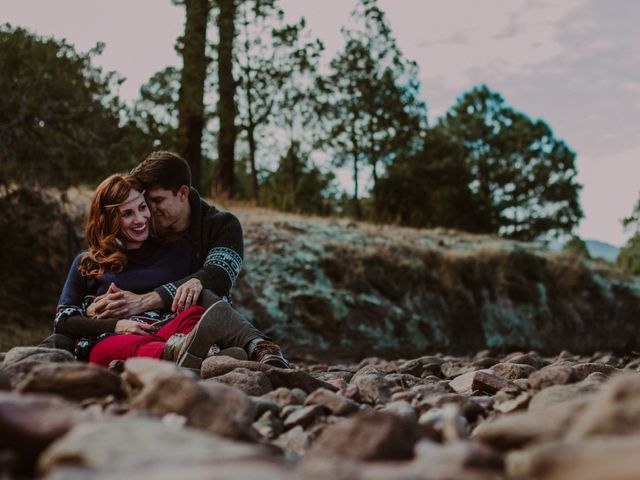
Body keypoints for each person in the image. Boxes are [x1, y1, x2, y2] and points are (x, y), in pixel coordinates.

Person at [51, 173, 289, 369]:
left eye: (142, 207)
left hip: (172, 330)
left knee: (200, 302)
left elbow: (210, 297)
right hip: (118, 338)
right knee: (109, 348)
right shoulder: (88, 263)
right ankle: (193, 357)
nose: (140, 218)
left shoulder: (176, 250)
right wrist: (116, 325)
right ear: (107, 219)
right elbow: (64, 321)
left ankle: (246, 349)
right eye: (127, 214)